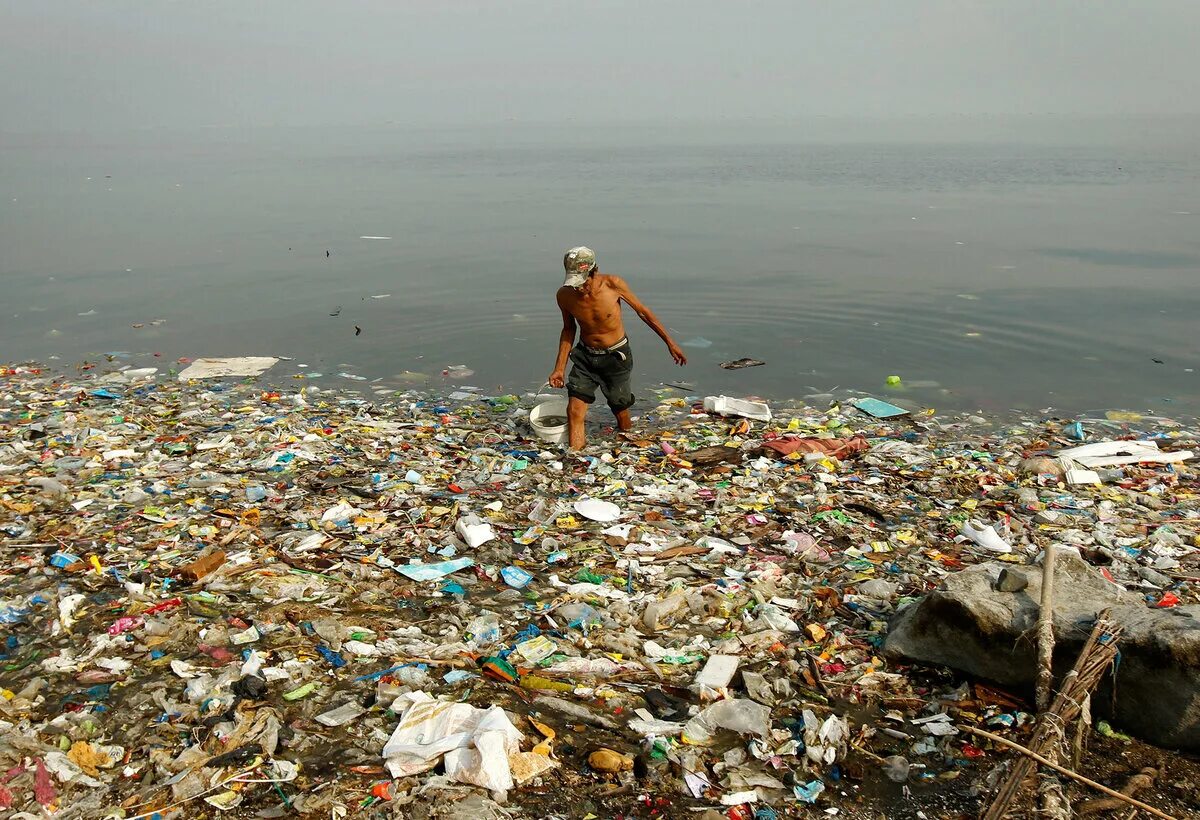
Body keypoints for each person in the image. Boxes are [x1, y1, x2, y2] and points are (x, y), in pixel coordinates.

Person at [547, 246, 686, 449]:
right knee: (574, 410)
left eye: (581, 282)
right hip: (585, 356)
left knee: (619, 406)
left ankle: (626, 442)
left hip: (616, 356)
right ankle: (575, 457)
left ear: (593, 271)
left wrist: (670, 343)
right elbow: (569, 329)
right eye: (573, 282)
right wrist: (559, 368)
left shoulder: (613, 284)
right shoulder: (565, 295)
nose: (578, 288)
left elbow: (644, 313)